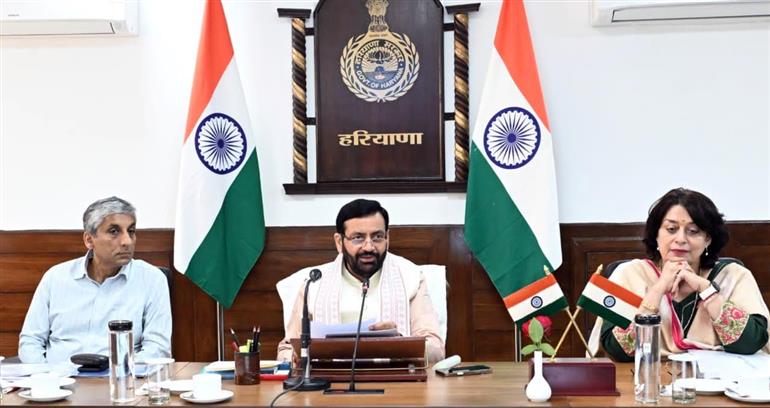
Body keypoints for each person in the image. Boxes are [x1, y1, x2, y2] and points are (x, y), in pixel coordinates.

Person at [589, 188, 770, 361]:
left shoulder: (733, 276)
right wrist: (658, 289)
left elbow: (751, 343)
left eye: (693, 231)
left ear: (708, 239)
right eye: (671, 229)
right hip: (648, 376)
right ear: (656, 234)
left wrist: (706, 289)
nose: (681, 239)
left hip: (718, 379)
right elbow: (616, 350)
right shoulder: (628, 274)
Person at [277, 199, 445, 364]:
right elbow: (287, 349)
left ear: (387, 238)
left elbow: (436, 351)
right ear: (339, 242)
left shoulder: (411, 277)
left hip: (395, 378)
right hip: (328, 379)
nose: (368, 247)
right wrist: (295, 357)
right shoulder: (314, 283)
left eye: (377, 237)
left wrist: (400, 345)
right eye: (358, 237)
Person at [18, 196, 172, 363]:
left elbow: (157, 349)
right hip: (58, 376)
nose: (127, 241)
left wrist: (122, 372)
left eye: (131, 231)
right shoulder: (56, 277)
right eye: (114, 231)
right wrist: (46, 374)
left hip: (121, 376)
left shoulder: (152, 280)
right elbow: (30, 342)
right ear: (89, 240)